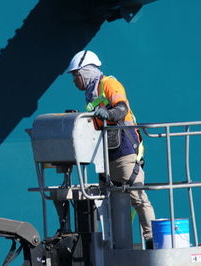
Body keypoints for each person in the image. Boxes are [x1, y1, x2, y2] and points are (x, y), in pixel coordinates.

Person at [67, 50, 156, 247]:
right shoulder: (91, 94)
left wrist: (107, 113)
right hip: (106, 155)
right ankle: (115, 243)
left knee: (137, 197)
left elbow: (122, 108)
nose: (75, 80)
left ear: (87, 71)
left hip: (124, 151)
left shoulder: (109, 84)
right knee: (110, 203)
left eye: (76, 75)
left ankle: (151, 240)